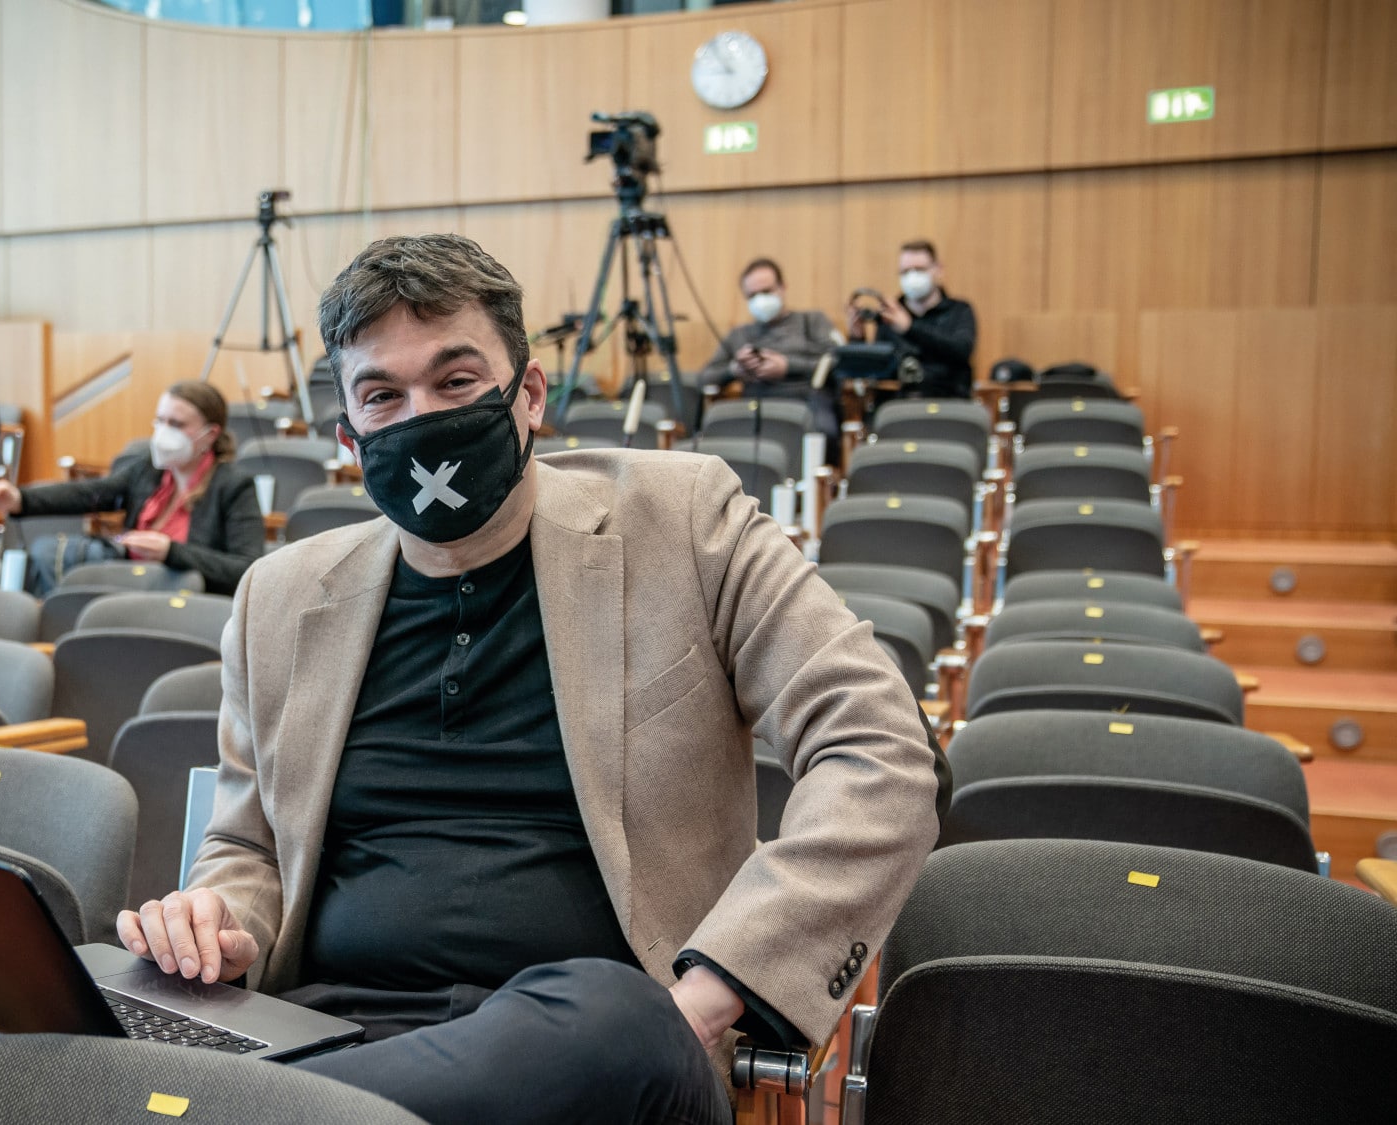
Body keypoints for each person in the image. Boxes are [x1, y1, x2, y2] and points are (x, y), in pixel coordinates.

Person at [114, 234, 941, 1124]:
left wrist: (706, 997)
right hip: (332, 1033)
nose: (421, 417)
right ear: (349, 436)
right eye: (382, 395)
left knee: (611, 1019)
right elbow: (249, 849)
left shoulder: (687, 522)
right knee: (78, 1001)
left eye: (457, 380)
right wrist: (213, 921)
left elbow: (879, 749)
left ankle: (235, 1112)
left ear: (530, 393)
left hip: (606, 1049)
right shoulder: (279, 597)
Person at [0, 381, 263, 596]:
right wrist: (19, 499)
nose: (163, 432)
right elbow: (90, 494)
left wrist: (171, 552)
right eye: (160, 421)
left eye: (176, 424)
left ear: (210, 434)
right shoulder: (148, 470)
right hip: (131, 587)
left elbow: (247, 568)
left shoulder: (234, 485)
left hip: (188, 603)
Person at [696, 256, 843, 444]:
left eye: (766, 291)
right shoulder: (739, 335)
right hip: (754, 407)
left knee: (824, 431)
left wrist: (788, 367)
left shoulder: (812, 322)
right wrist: (734, 370)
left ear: (783, 287)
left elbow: (839, 361)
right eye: (752, 295)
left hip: (807, 403)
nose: (760, 300)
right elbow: (705, 378)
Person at [846, 239, 977, 398]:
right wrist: (857, 339)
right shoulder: (889, 315)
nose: (912, 276)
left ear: (938, 270)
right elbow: (875, 372)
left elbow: (961, 351)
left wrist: (910, 328)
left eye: (919, 269)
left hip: (948, 402)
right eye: (905, 271)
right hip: (898, 406)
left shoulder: (959, 311)